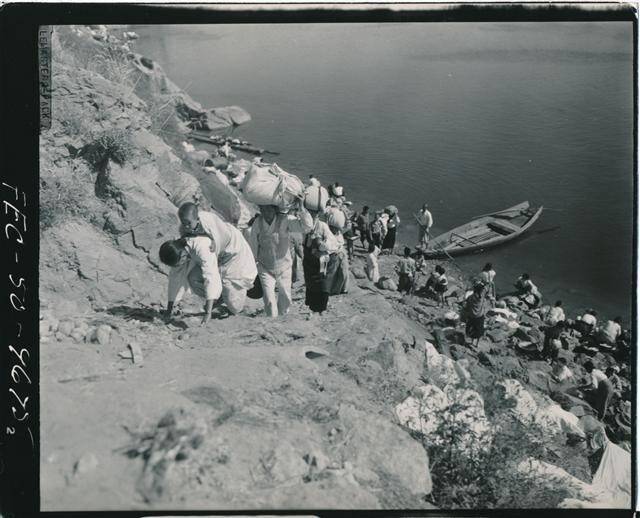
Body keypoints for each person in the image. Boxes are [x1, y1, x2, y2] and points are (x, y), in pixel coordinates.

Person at [177, 202, 257, 315]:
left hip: (233, 252)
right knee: (193, 278)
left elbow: (211, 269)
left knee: (234, 306)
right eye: (184, 223)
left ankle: (226, 300)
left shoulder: (210, 221)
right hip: (217, 257)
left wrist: (213, 240)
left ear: (197, 218)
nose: (186, 226)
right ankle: (218, 298)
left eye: (189, 223)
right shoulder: (184, 228)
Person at [247, 201, 313, 317]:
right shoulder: (258, 223)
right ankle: (272, 320)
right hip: (265, 267)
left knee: (285, 297)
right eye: (263, 210)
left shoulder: (286, 220)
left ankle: (283, 318)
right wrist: (252, 266)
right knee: (269, 299)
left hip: (284, 266)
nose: (266, 213)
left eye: (269, 210)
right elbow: (253, 244)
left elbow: (307, 227)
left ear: (275, 209)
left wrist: (301, 207)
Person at [159, 237, 222, 327]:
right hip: (213, 264)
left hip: (229, 261)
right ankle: (216, 298)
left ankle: (220, 296)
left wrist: (208, 313)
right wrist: (169, 310)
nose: (177, 266)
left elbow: (210, 276)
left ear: (183, 256)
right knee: (192, 278)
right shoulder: (179, 251)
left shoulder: (202, 247)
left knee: (234, 306)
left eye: (178, 264)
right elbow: (174, 280)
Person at [302, 210, 340, 314]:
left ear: (318, 216)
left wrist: (321, 245)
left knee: (323, 284)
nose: (312, 218)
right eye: (310, 215)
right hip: (309, 260)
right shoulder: (303, 226)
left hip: (322, 260)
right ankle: (313, 307)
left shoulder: (322, 226)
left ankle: (321, 308)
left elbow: (333, 243)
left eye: (314, 215)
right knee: (310, 283)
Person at [463, 282, 488, 347]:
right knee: (479, 329)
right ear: (481, 291)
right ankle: (476, 344)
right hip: (480, 316)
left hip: (471, 315)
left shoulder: (470, 297)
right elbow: (485, 289)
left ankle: (471, 341)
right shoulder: (482, 298)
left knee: (471, 328)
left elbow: (467, 306)